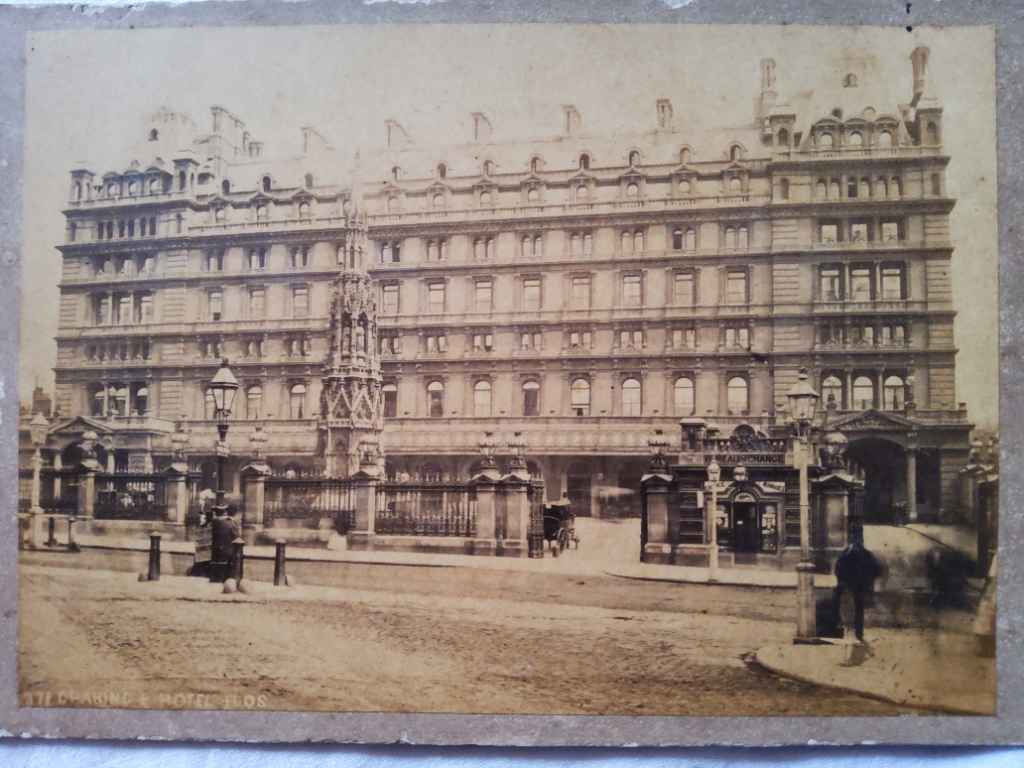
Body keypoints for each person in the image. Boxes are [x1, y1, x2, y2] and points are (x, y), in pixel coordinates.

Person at [833, 531, 881, 642]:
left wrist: (841, 580)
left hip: (852, 585)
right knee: (857, 608)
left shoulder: (848, 552)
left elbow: (838, 567)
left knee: (844, 604)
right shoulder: (866, 553)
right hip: (856, 585)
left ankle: (842, 626)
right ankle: (856, 632)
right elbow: (875, 569)